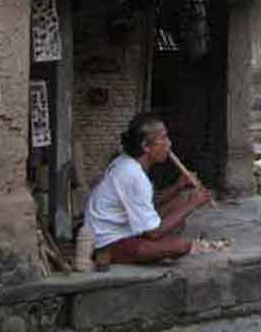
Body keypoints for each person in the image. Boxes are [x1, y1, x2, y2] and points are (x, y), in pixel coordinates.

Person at [86, 113, 212, 266]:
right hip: (109, 243)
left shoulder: (126, 162)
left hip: (126, 231)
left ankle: (156, 247)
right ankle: (127, 255)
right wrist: (194, 203)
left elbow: (149, 203)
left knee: (179, 203)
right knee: (181, 245)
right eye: (164, 138)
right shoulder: (133, 174)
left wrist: (178, 186)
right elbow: (154, 232)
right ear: (146, 146)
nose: (169, 144)